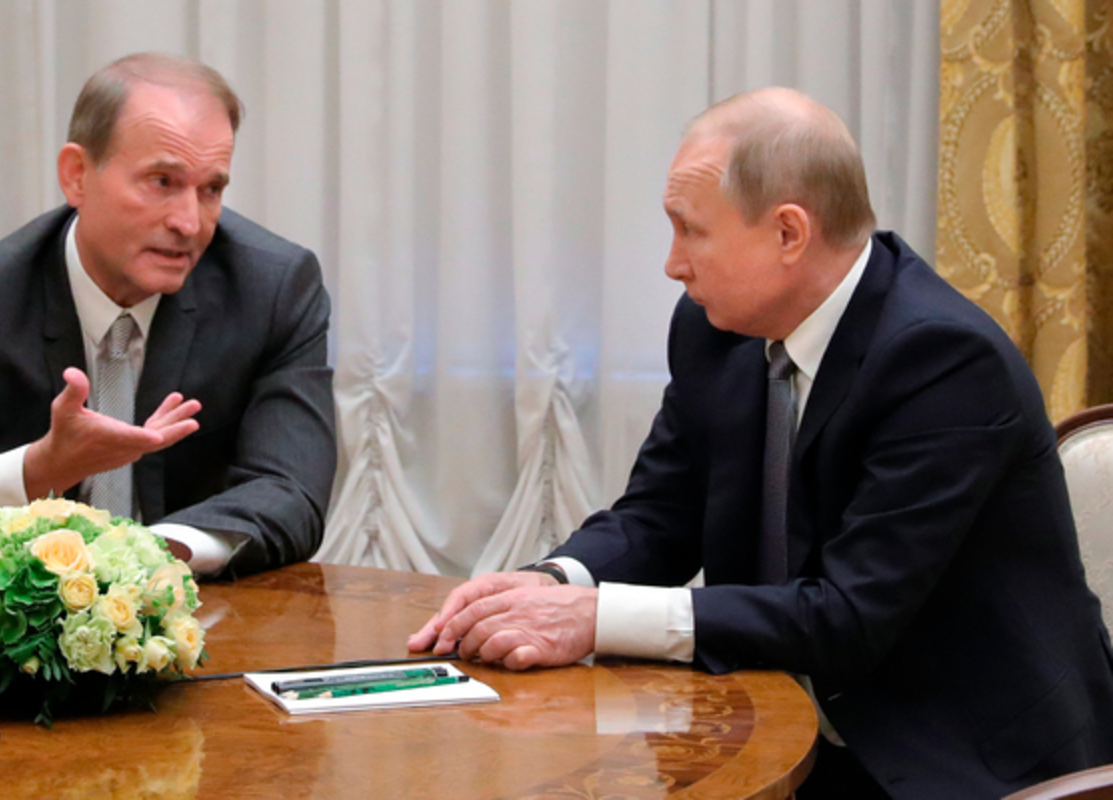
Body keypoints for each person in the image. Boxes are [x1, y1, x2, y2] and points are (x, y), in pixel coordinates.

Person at [410, 87, 1113, 798]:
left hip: (957, 758)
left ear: (788, 234)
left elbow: (849, 616)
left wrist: (594, 619)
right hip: (779, 725)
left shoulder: (943, 361)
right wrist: (555, 583)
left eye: (691, 231)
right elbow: (660, 515)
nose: (673, 264)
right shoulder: (715, 331)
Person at [0, 53, 335, 578]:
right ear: (77, 176)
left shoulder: (273, 290)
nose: (189, 223)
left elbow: (292, 490)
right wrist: (39, 469)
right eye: (161, 181)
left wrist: (148, 558)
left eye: (211, 189)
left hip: (199, 605)